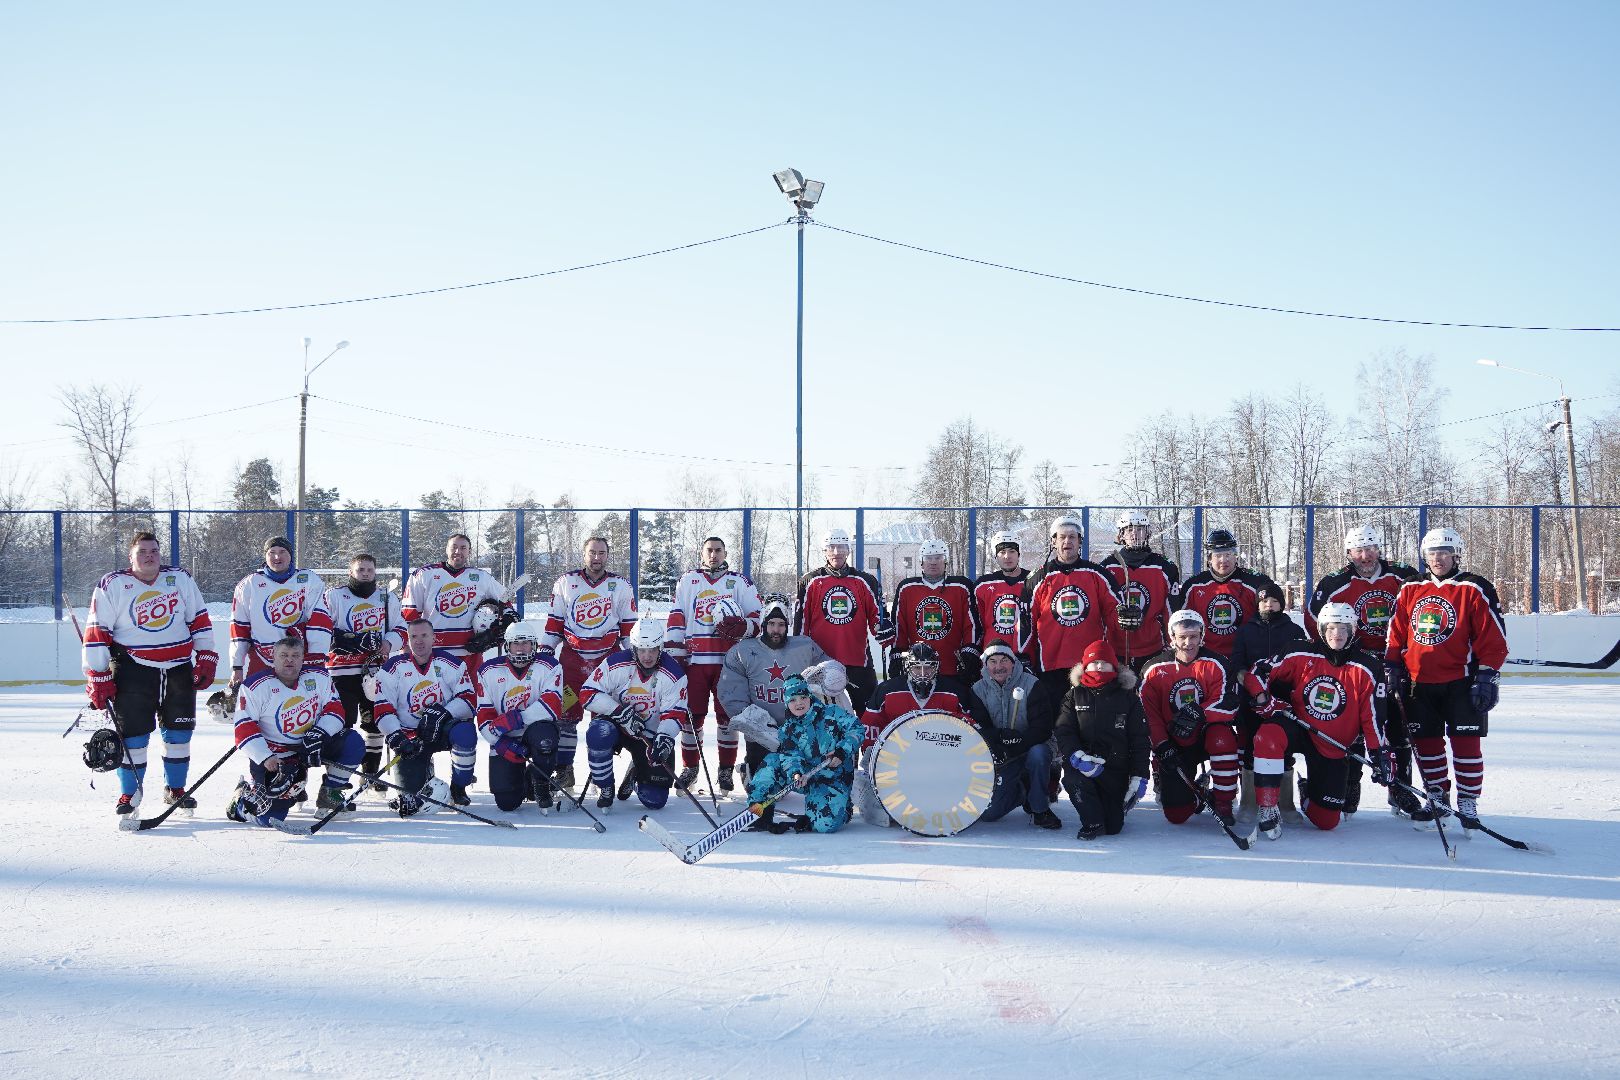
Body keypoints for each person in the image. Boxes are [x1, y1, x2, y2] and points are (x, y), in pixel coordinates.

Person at [82, 531, 217, 816]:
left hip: (179, 668)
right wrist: (97, 672)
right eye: (142, 552)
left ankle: (175, 789)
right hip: (133, 669)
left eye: (154, 551)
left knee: (179, 733)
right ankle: (129, 793)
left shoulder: (179, 578)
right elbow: (96, 632)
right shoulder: (112, 584)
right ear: (130, 557)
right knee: (133, 736)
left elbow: (199, 618)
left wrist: (205, 654)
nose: (149, 556)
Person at [1385, 527, 1508, 828]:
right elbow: (1396, 632)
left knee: (1466, 745)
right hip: (1419, 683)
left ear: (1456, 555)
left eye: (1444, 552)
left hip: (1461, 682)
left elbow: (1493, 637)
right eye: (1432, 553)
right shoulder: (1410, 588)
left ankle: (1468, 801)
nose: (1438, 558)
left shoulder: (1473, 587)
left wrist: (1487, 675)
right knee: (1426, 744)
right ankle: (1437, 798)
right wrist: (1393, 666)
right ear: (1424, 556)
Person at [1242, 602, 1388, 839]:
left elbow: (1372, 715)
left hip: (1332, 743)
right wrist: (1262, 697)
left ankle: (1306, 792)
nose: (1337, 634)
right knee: (1267, 736)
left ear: (1352, 630)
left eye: (1343, 628)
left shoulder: (1367, 667)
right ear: (1321, 629)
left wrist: (1378, 753)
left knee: (1327, 821)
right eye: (1331, 628)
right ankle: (1268, 807)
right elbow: (1258, 671)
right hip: (1299, 726)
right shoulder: (1300, 652)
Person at [1307, 525, 1422, 816]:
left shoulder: (1403, 575)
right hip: (1355, 664)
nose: (1365, 556)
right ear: (1349, 553)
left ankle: (1401, 789)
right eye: (1358, 550)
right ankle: (1350, 786)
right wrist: (1338, 654)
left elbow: (1422, 610)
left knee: (1399, 728)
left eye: (1370, 549)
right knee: (1355, 727)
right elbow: (1314, 619)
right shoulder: (1334, 582)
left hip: (1397, 664)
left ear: (1379, 549)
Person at [226, 633, 365, 826]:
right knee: (269, 819)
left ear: (302, 658)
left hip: (312, 745)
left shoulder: (319, 677)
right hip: (276, 756)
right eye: (284, 655)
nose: (289, 660)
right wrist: (265, 757)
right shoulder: (255, 686)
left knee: (352, 742)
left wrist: (319, 733)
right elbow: (244, 728)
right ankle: (241, 802)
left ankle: (330, 793)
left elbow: (335, 709)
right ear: (273, 657)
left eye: (295, 655)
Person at [541, 536, 638, 791]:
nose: (597, 557)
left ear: (608, 555)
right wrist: (545, 651)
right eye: (592, 552)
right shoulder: (566, 582)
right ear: (584, 554)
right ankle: (565, 771)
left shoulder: (620, 585)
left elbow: (628, 627)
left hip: (607, 665)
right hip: (572, 663)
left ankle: (600, 771)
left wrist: (636, 656)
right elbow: (554, 623)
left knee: (603, 721)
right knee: (565, 717)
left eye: (601, 553)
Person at [664, 536, 762, 789]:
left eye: (718, 550)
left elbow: (757, 616)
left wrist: (744, 627)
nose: (713, 555)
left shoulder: (739, 581)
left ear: (725, 553)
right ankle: (690, 768)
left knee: (727, 717)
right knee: (691, 717)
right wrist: (675, 655)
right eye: (709, 550)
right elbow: (677, 616)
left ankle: (726, 770)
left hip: (728, 663)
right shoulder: (688, 580)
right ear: (702, 553)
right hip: (695, 661)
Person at [716, 593, 838, 785]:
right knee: (765, 787)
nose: (776, 630)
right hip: (761, 734)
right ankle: (750, 767)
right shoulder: (742, 651)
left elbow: (829, 673)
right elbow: (731, 694)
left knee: (809, 783)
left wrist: (834, 675)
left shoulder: (805, 647)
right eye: (771, 624)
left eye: (781, 624)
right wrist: (756, 723)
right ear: (763, 623)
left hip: (799, 730)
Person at [1139, 608, 1241, 829]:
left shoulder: (1217, 663)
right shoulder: (1153, 669)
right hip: (1174, 741)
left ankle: (1223, 801)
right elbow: (1148, 714)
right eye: (1182, 637)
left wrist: (1200, 713)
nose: (1188, 643)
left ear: (1201, 635)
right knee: (1176, 815)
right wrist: (1162, 745)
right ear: (1172, 637)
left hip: (1206, 735)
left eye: (1193, 636)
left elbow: (1229, 704)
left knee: (1223, 738)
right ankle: (1199, 793)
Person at [577, 617, 687, 812]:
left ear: (660, 648)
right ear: (633, 648)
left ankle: (636, 772)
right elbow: (587, 694)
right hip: (615, 727)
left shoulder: (674, 673)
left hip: (649, 735)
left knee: (655, 801)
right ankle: (605, 787)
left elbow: (674, 714)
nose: (647, 656)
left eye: (652, 650)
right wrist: (619, 712)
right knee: (598, 732)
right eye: (642, 650)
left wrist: (664, 737)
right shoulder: (615, 663)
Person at [372, 618, 479, 814]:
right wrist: (396, 736)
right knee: (411, 800)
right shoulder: (392, 668)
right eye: (414, 636)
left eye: (424, 635)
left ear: (434, 638)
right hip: (410, 739)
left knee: (465, 732)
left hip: (443, 730)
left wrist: (445, 713)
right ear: (407, 640)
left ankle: (458, 787)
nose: (419, 641)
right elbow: (382, 709)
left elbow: (469, 700)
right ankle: (423, 769)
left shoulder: (451, 663)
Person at [1054, 639, 1151, 840]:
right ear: (1085, 666)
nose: (1099, 666)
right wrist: (1077, 756)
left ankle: (1113, 807)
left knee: (1114, 827)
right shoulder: (1074, 695)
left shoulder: (1129, 698)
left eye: (1104, 662)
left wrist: (1139, 775)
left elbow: (1140, 740)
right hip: (1083, 766)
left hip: (1115, 769)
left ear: (1114, 666)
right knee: (1074, 781)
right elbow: (1064, 730)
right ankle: (1093, 822)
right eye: (1094, 662)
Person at [1020, 514, 1124, 701]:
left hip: (1090, 663)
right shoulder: (1038, 577)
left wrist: (1125, 617)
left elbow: (1114, 612)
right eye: (1062, 537)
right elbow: (1026, 621)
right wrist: (1024, 656)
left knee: (1087, 715)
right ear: (1053, 541)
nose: (1067, 541)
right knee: (1054, 715)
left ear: (1080, 541)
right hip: (1049, 664)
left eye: (1072, 537)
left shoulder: (1098, 574)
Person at [743, 675, 864, 833]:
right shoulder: (787, 729)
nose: (799, 703)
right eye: (793, 700)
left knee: (825, 825)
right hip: (805, 776)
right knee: (772, 762)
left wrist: (842, 751)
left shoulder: (832, 713)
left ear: (810, 696)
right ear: (786, 703)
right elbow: (790, 755)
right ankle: (760, 813)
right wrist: (796, 773)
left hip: (832, 778)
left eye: (803, 697)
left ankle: (837, 810)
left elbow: (857, 729)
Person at [1229, 578, 1308, 816]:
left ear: (1281, 604)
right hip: (1251, 699)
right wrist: (1249, 682)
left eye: (1274, 601)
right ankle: (1249, 802)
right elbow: (1237, 662)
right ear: (1257, 604)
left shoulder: (1294, 631)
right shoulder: (1245, 631)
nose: (1269, 605)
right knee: (1250, 746)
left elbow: (1304, 664)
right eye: (1264, 601)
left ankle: (1285, 803)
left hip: (1284, 698)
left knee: (1283, 749)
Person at [794, 527, 893, 714]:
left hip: (858, 661)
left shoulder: (865, 580)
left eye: (841, 547)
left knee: (868, 713)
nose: (836, 552)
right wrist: (800, 655)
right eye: (831, 547)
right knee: (821, 716)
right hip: (820, 662)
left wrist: (882, 628)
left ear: (848, 550)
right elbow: (802, 624)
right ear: (824, 551)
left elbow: (877, 618)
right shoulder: (810, 581)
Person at [324, 552, 402, 786]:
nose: (365, 574)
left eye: (369, 570)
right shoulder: (334, 596)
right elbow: (322, 628)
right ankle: (336, 780)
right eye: (360, 570)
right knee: (341, 724)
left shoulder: (387, 597)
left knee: (375, 723)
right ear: (351, 572)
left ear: (375, 572)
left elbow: (401, 627)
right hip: (342, 672)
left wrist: (388, 643)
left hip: (375, 671)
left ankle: (370, 776)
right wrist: (349, 641)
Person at [401, 533, 514, 695]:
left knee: (470, 700)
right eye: (454, 547)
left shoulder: (481, 577)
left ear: (469, 552)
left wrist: (499, 627)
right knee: (435, 700)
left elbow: (506, 602)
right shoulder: (423, 575)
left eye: (463, 548)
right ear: (446, 549)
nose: (458, 551)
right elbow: (409, 615)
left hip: (469, 652)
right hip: (432, 653)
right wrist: (406, 647)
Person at [476, 620, 566, 813]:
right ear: (507, 646)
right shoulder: (488, 671)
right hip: (506, 737)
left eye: (526, 643)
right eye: (515, 643)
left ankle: (540, 782)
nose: (520, 648)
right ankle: (526, 779)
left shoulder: (550, 666)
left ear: (534, 645)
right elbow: (483, 717)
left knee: (545, 740)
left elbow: (551, 707)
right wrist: (499, 742)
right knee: (507, 803)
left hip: (537, 730)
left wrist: (517, 718)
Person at [971, 640, 1061, 830]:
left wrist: (1019, 741)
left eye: (1004, 660)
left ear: (1013, 662)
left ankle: (1040, 808)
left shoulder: (1032, 684)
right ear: (985, 664)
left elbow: (1043, 727)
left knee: (1038, 755)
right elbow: (979, 727)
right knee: (989, 814)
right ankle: (1024, 791)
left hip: (1032, 746)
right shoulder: (978, 690)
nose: (998, 666)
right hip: (1001, 753)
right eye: (993, 661)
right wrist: (999, 738)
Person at [228, 535, 333, 692]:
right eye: (272, 552)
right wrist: (237, 666)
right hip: (262, 658)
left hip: (300, 659)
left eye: (282, 551)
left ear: (291, 555)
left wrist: (317, 656)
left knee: (302, 702)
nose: (277, 557)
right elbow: (239, 627)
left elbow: (320, 619)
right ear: (265, 556)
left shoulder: (308, 579)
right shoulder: (249, 584)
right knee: (258, 702)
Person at [860, 642, 995, 752]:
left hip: (944, 755)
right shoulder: (886, 691)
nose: (923, 673)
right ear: (908, 668)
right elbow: (871, 726)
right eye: (917, 668)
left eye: (928, 667)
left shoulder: (956, 692)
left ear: (936, 668)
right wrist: (870, 753)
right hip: (898, 756)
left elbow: (976, 726)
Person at [1175, 528, 1280, 662]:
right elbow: (1179, 623)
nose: (1223, 560)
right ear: (1209, 558)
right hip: (1206, 658)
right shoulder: (1193, 585)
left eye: (1228, 554)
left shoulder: (1256, 582)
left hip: (1247, 656)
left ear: (1235, 556)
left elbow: (1275, 617)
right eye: (1218, 555)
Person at [1098, 510, 1181, 673]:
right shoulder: (1107, 566)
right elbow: (1101, 610)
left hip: (1153, 647)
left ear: (1147, 533)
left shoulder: (1165, 567)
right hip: (1115, 648)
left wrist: (1172, 642)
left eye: (1140, 529)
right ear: (1121, 534)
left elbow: (1171, 611)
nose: (1135, 534)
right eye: (1129, 529)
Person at [891, 537, 978, 682]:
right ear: (921, 561)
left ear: (945, 560)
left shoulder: (961, 587)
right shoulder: (906, 588)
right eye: (928, 558)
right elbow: (899, 626)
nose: (933, 562)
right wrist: (898, 653)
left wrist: (970, 650)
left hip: (953, 667)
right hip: (918, 668)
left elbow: (972, 625)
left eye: (938, 557)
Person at [971, 530, 1028, 652]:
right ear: (995, 556)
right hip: (992, 654)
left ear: (1019, 554)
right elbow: (976, 624)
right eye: (1002, 552)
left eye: (1012, 551)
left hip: (1025, 654)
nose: (1007, 556)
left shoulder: (1033, 581)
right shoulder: (982, 585)